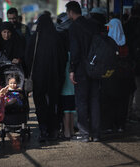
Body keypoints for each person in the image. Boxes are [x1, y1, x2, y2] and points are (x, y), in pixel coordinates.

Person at [25, 14, 65, 142]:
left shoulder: (34, 38)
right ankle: (54, 128)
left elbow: (28, 58)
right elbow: (63, 58)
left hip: (38, 78)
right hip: (55, 78)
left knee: (40, 103)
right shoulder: (57, 38)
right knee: (54, 102)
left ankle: (43, 129)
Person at [66, 1, 100, 142]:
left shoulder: (74, 27)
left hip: (81, 68)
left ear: (71, 12)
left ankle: (85, 134)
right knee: (95, 100)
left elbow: (75, 50)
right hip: (95, 67)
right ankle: (97, 134)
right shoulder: (93, 24)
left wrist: (72, 69)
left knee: (81, 101)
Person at [100, 18, 135, 132]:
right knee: (122, 103)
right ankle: (121, 125)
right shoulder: (127, 43)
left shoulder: (107, 42)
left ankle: (109, 125)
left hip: (110, 77)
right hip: (125, 77)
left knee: (109, 102)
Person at [124, 4, 140, 122]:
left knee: (127, 88)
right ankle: (138, 112)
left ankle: (126, 112)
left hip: (126, 61)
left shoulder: (125, 25)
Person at [56, 13, 75, 140]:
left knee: (65, 106)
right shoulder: (74, 34)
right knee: (71, 105)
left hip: (63, 77)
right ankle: (71, 130)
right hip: (73, 76)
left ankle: (66, 131)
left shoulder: (58, 36)